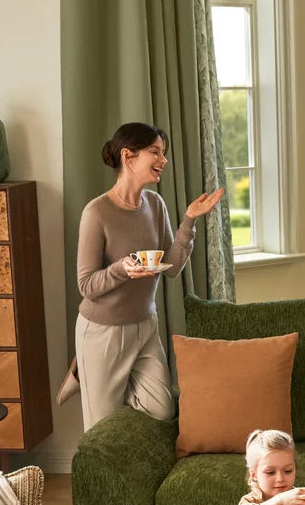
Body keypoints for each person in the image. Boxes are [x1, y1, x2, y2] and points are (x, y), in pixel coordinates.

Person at [62, 121, 224, 431]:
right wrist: (122, 269)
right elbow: (87, 286)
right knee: (102, 429)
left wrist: (189, 220)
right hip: (103, 331)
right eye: (155, 152)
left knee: (161, 409)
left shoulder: (155, 204)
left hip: (145, 326)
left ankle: (91, 377)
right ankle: (89, 370)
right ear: (128, 156)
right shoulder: (97, 213)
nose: (163, 161)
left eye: (163, 153)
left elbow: (173, 266)